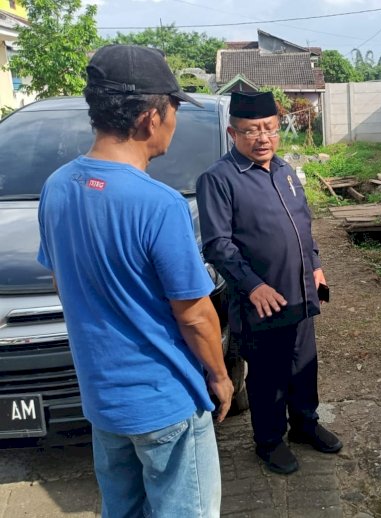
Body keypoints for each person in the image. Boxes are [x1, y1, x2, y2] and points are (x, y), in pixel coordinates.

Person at [36, 45, 233, 518]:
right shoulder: (158, 204)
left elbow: (65, 286)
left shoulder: (57, 186)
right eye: (174, 110)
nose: (174, 122)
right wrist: (221, 377)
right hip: (165, 401)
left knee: (121, 509)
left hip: (103, 400)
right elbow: (195, 315)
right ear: (150, 117)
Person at [197, 91, 342, 475]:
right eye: (251, 131)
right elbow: (217, 244)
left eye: (270, 129)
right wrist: (253, 285)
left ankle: (305, 426)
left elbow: (304, 227)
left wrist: (316, 266)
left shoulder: (285, 171)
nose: (262, 138)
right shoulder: (219, 179)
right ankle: (269, 441)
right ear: (233, 133)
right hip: (261, 299)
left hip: (301, 292)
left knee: (304, 365)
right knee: (268, 375)